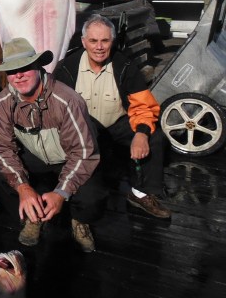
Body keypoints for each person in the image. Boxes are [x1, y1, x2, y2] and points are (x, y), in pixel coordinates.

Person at [0, 38, 106, 252]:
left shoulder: (67, 100)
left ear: (38, 66)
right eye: (12, 71)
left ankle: (79, 220)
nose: (19, 75)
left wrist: (61, 192)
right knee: (0, 178)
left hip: (72, 158)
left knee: (93, 196)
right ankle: (33, 217)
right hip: (37, 158)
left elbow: (83, 154)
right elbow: (2, 148)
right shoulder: (2, 103)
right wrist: (23, 187)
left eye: (25, 68)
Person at [53, 15, 171, 219]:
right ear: (83, 42)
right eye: (93, 41)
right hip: (82, 129)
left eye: (105, 41)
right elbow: (55, 108)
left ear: (112, 41)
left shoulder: (124, 65)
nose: (99, 47)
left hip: (117, 123)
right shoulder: (66, 67)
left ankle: (139, 194)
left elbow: (143, 105)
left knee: (155, 138)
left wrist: (141, 134)